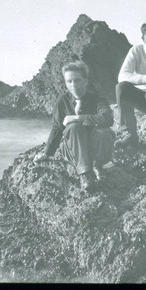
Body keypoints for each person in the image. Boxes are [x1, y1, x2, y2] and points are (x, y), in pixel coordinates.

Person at [34, 61, 114, 192]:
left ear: (85, 81)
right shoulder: (63, 100)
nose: (73, 85)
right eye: (69, 81)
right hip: (73, 148)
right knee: (73, 127)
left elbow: (108, 118)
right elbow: (57, 128)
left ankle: (97, 166)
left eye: (77, 80)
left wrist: (78, 118)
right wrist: (47, 153)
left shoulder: (96, 98)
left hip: (96, 146)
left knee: (105, 132)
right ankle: (85, 175)